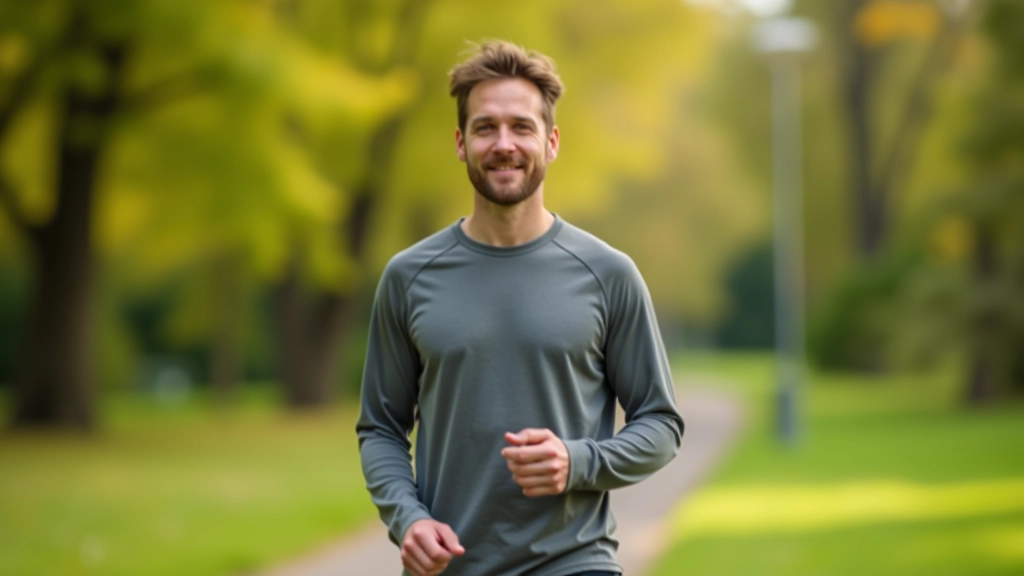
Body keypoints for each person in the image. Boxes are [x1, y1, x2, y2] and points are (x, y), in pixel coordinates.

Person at [357, 40, 685, 576]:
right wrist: (408, 519)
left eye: (521, 127)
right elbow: (381, 429)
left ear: (551, 142)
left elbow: (661, 424)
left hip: (575, 562)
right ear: (461, 143)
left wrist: (578, 461)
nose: (503, 144)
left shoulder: (608, 274)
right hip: (451, 567)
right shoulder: (407, 277)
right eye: (486, 127)